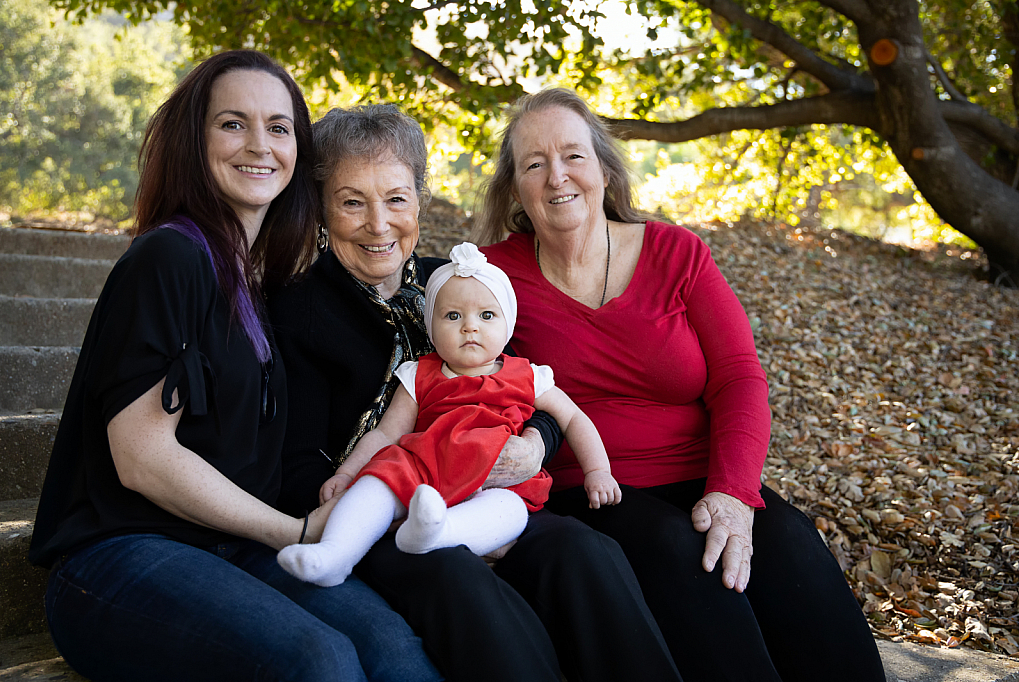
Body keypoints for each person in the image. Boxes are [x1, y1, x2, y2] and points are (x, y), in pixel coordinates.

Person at [27, 50, 440, 682]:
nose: (259, 144)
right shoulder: (169, 257)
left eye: (278, 127)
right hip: (120, 557)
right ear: (196, 138)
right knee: (318, 660)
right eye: (232, 123)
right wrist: (291, 530)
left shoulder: (254, 278)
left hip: (230, 551)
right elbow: (142, 457)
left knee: (394, 649)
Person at [474, 87, 887, 682]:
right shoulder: (493, 278)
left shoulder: (677, 253)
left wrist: (733, 494)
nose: (556, 175)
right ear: (515, 187)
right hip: (591, 488)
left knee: (789, 541)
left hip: (703, 473)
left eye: (573, 156)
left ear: (604, 171)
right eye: (533, 163)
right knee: (674, 548)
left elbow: (740, 378)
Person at [268, 104, 682, 682]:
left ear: (420, 200)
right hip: (378, 514)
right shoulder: (297, 313)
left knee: (584, 552)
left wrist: (535, 445)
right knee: (460, 581)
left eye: (395, 198)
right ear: (321, 208)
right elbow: (296, 467)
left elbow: (531, 385)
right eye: (352, 201)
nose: (379, 224)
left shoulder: (461, 284)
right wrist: (385, 504)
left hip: (491, 489)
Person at [277, 242, 621, 587]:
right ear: (431, 327)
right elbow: (385, 435)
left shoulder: (528, 375)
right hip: (422, 471)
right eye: (453, 316)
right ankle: (335, 554)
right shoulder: (419, 374)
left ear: (508, 324)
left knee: (509, 512)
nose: (469, 327)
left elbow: (573, 418)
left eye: (486, 315)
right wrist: (349, 473)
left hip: (494, 482)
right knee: (373, 487)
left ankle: (438, 533)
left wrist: (598, 470)